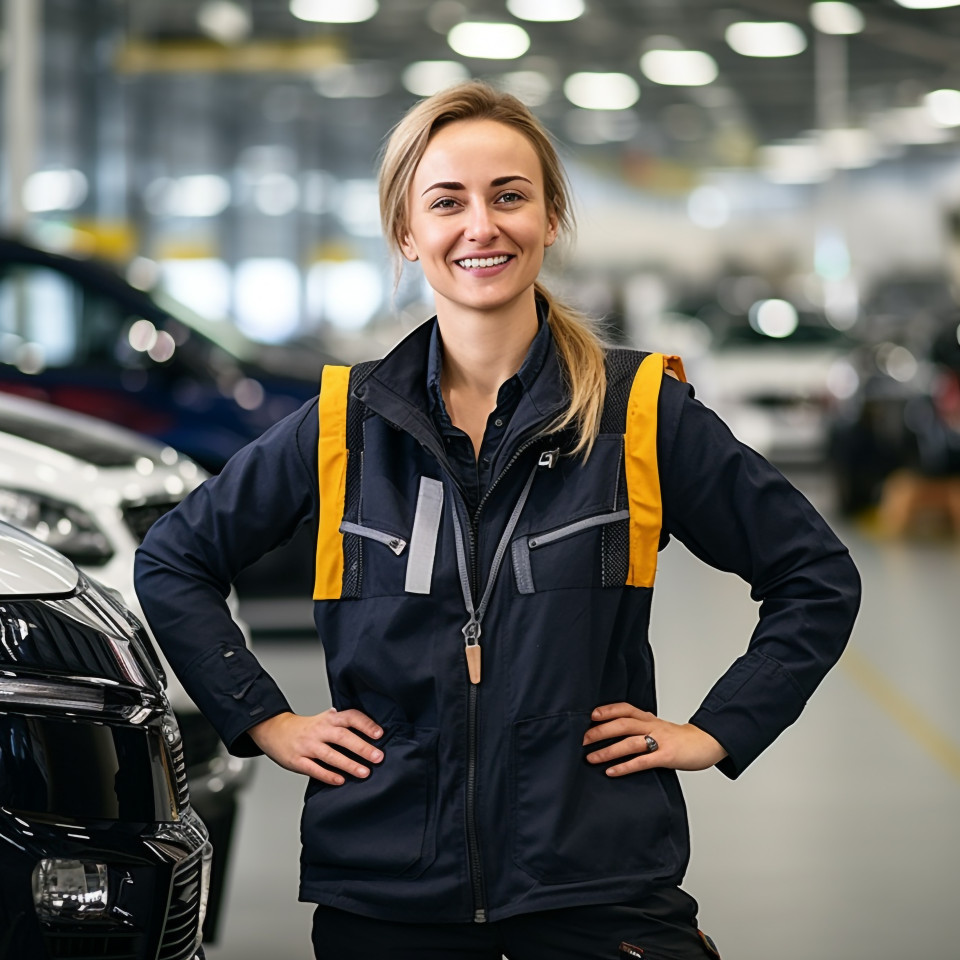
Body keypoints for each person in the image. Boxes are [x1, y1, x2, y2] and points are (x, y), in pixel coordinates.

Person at [134, 81, 861, 960]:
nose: (481, 226)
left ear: (550, 217)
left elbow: (815, 577)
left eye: (509, 195)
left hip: (595, 882)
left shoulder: (637, 414)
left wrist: (719, 728)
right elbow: (174, 561)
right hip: (387, 891)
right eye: (447, 201)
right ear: (407, 232)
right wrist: (265, 719)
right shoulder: (340, 424)